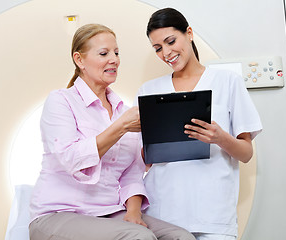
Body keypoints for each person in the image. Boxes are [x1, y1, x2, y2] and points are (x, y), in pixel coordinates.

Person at [28, 23, 196, 240]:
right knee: (139, 238)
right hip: (58, 213)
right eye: (104, 53)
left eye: (116, 53)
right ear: (79, 60)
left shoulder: (123, 112)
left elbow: (132, 173)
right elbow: (71, 158)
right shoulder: (61, 101)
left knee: (181, 237)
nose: (114, 59)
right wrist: (120, 127)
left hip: (109, 212)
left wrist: (134, 213)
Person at [136, 8, 263, 240]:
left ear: (189, 33)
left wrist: (220, 138)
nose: (166, 52)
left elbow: (246, 154)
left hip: (213, 215)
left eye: (170, 41)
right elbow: (142, 160)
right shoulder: (149, 91)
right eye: (158, 48)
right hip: (163, 215)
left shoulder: (227, 82)